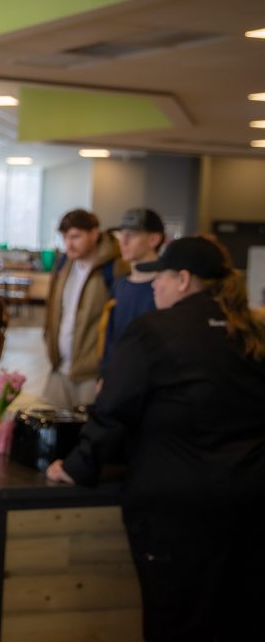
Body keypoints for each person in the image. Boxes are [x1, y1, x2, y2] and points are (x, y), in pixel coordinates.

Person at [46, 237, 265, 641]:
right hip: (250, 501)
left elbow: (114, 412)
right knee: (239, 618)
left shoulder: (153, 331)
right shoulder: (251, 329)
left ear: (182, 279)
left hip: (178, 511)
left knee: (175, 621)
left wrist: (77, 466)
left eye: (159, 277)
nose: (152, 286)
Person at [42, 209, 127, 409]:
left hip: (92, 374)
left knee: (86, 433)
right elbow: (54, 309)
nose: (68, 244)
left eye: (75, 237)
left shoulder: (114, 268)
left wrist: (108, 371)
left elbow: (120, 323)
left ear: (94, 234)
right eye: (65, 237)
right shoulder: (64, 263)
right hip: (59, 367)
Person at [100, 208, 164, 372]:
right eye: (121, 234)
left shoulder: (165, 287)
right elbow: (110, 337)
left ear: (154, 239)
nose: (123, 241)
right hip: (118, 376)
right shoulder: (120, 284)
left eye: (132, 235)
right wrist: (104, 374)